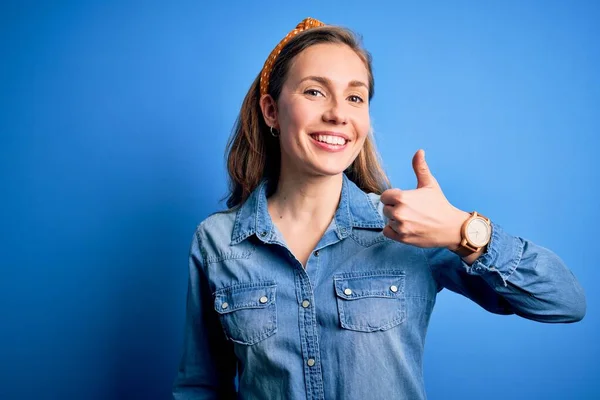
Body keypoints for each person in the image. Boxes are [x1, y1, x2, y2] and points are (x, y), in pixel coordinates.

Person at [172, 17, 586, 400]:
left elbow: (565, 303)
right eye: (315, 91)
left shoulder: (411, 231)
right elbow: (200, 386)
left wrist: (464, 232)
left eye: (356, 97)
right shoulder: (217, 241)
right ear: (271, 111)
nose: (337, 114)